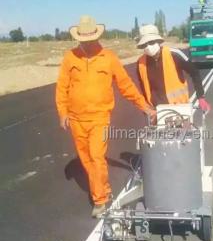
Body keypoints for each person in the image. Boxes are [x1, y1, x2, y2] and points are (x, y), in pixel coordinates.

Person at [56, 15, 154, 218]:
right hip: (76, 119)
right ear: (79, 37)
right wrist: (63, 113)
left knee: (97, 157)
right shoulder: (70, 58)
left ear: (96, 36)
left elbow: (126, 85)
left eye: (90, 37)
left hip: (99, 118)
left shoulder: (108, 57)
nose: (87, 41)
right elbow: (62, 88)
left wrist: (145, 107)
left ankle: (100, 201)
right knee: (86, 161)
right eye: (83, 38)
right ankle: (104, 189)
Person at [136, 24, 211, 112]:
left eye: (151, 42)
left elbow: (194, 72)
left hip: (180, 108)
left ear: (158, 41)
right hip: (157, 111)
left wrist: (200, 97)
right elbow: (143, 88)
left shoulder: (174, 54)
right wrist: (146, 108)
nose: (148, 47)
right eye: (145, 44)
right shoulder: (140, 63)